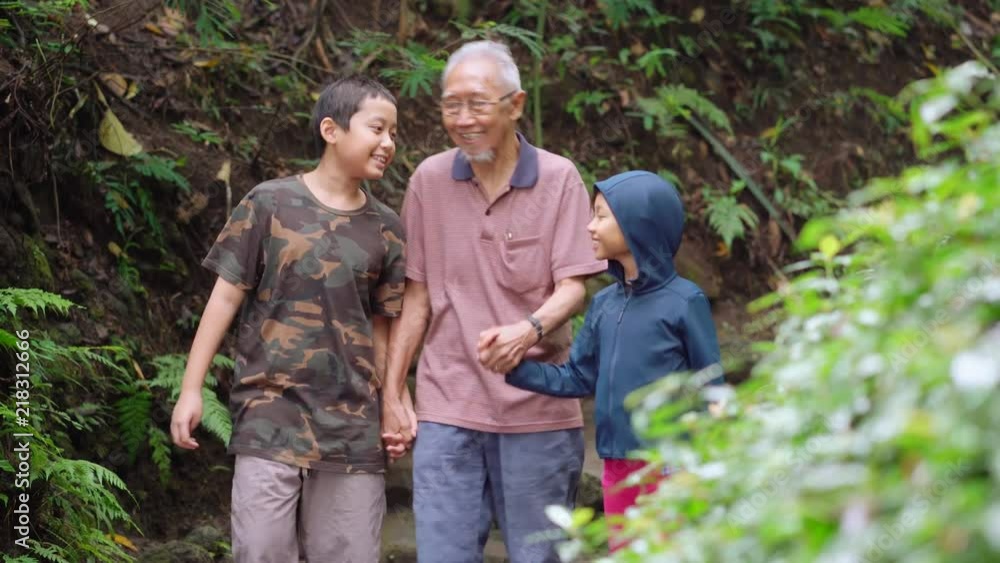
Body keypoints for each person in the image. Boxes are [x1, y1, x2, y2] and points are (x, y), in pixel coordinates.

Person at [381, 40, 606, 562]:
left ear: (515, 104)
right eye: (451, 105)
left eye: (478, 104)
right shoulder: (429, 180)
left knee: (539, 556)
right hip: (447, 405)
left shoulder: (558, 178)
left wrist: (528, 330)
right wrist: (393, 393)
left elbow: (574, 286)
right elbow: (417, 297)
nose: (464, 119)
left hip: (539, 405)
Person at [169, 76, 406, 563]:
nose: (388, 143)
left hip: (351, 428)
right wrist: (192, 389)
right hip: (269, 416)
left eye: (394, 133)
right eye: (377, 129)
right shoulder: (268, 203)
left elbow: (382, 327)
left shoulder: (387, 228)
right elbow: (224, 299)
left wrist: (393, 404)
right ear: (331, 130)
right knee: (260, 551)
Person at [502, 170, 723, 551]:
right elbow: (577, 377)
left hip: (669, 465)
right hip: (615, 464)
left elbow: (712, 390)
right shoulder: (604, 304)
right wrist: (512, 367)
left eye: (601, 216)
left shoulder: (685, 302)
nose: (590, 226)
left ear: (639, 224)